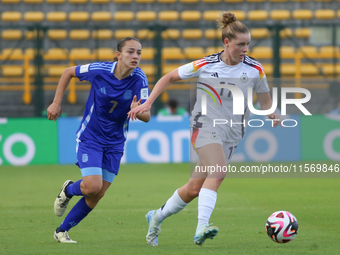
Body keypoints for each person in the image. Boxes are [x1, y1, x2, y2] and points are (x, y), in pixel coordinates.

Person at [128, 12, 281, 247]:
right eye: (241, 44)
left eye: (248, 44)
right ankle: (202, 227)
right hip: (204, 126)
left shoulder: (255, 69)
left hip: (232, 134)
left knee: (193, 189)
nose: (245, 49)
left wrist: (272, 112)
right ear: (226, 42)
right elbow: (168, 77)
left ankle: (156, 216)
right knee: (218, 172)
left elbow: (265, 100)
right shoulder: (205, 64)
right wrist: (148, 103)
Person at [47, 37, 150, 243]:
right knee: (92, 186)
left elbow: (147, 116)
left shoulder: (140, 79)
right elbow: (68, 72)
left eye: (139, 52)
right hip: (91, 136)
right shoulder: (99, 70)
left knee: (97, 194)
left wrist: (137, 111)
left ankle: (61, 231)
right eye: (130, 52)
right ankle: (68, 190)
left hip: (115, 141)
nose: (135, 56)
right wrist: (56, 102)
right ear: (118, 55)